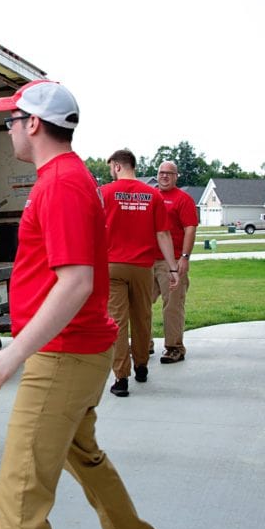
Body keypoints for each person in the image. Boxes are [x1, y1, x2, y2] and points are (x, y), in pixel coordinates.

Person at [0, 79, 160, 529]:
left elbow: (76, 282)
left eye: (11, 120)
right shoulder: (64, 179)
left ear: (33, 123)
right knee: (85, 458)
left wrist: (12, 355)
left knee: (20, 491)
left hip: (63, 356)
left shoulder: (61, 183)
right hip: (72, 352)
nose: (9, 128)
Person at [102, 150, 178, 397]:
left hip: (112, 265)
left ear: (116, 166)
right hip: (143, 266)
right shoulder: (153, 195)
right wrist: (173, 267)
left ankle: (121, 379)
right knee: (142, 316)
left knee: (117, 321)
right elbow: (163, 234)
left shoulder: (104, 194)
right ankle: (142, 365)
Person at [152, 161, 198, 364]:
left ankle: (174, 347)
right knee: (141, 305)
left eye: (169, 173)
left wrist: (184, 258)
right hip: (146, 260)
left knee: (172, 306)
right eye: (161, 172)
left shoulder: (183, 199)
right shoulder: (150, 196)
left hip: (171, 262)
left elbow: (190, 228)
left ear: (176, 176)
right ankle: (143, 343)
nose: (164, 176)